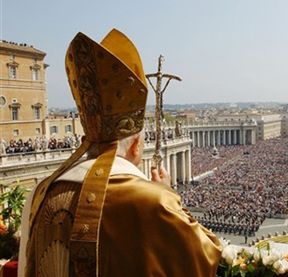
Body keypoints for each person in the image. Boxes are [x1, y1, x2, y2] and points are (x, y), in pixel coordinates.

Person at [19, 29, 221, 277]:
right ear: (137, 146)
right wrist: (168, 195)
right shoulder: (152, 202)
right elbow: (205, 255)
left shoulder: (41, 193)